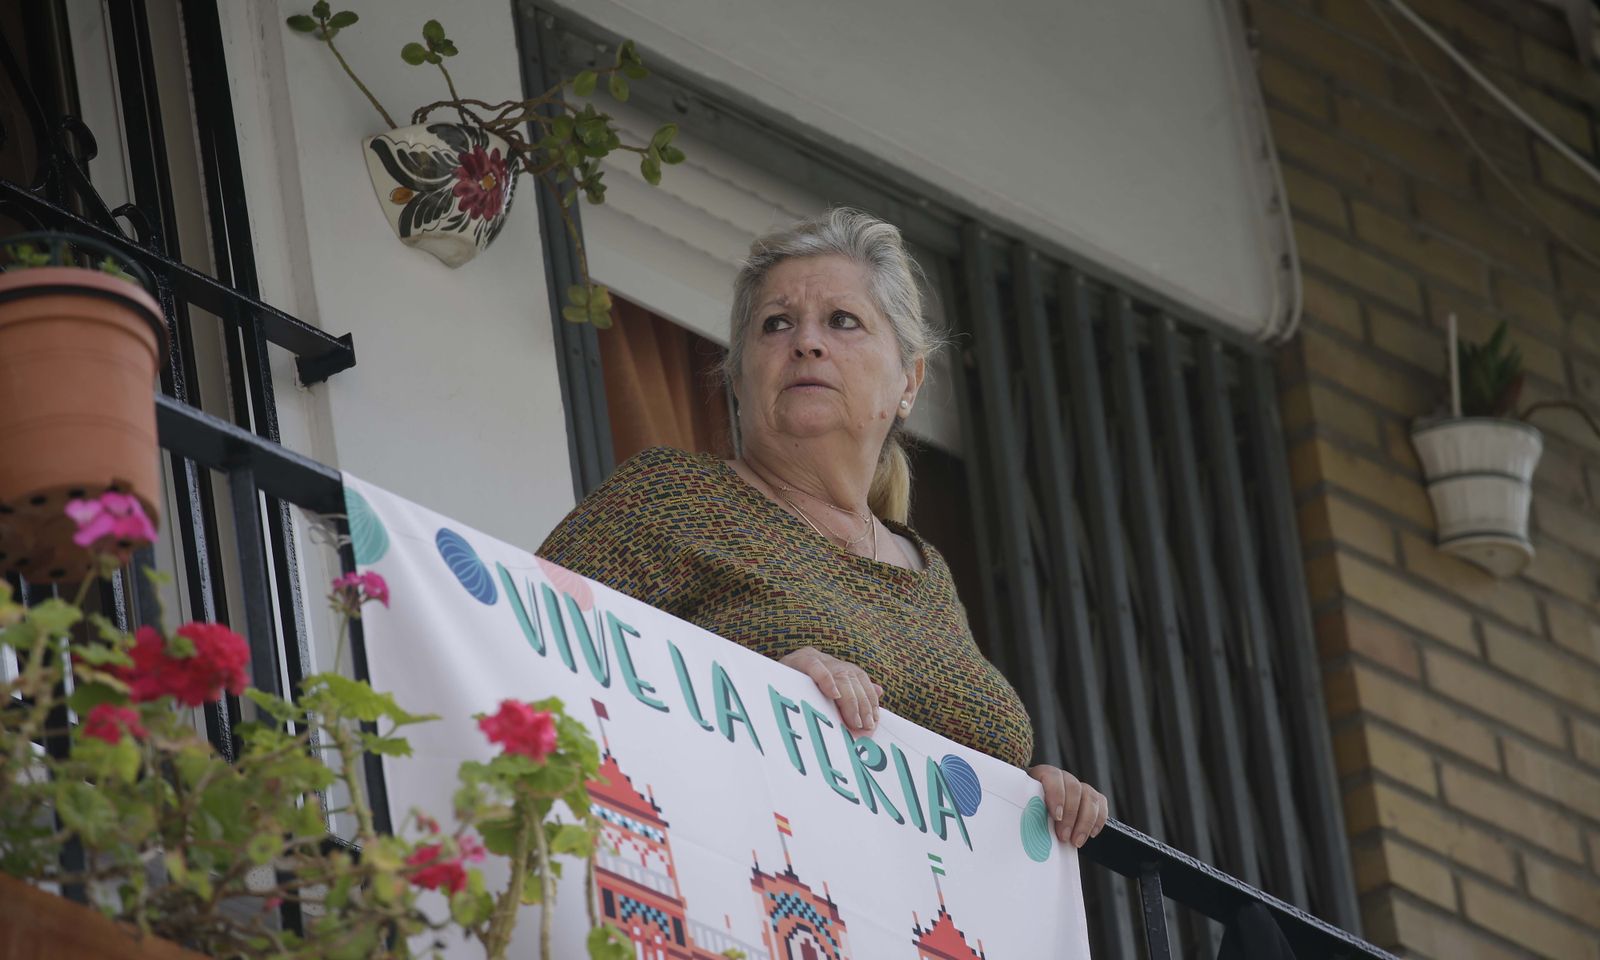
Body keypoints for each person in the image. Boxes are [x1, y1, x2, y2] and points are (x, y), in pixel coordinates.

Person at [538, 208, 1108, 849]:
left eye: (843, 321)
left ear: (908, 380)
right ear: (738, 375)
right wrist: (753, 689)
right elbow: (532, 651)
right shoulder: (670, 495)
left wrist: (1028, 800)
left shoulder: (930, 574)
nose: (806, 342)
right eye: (776, 324)